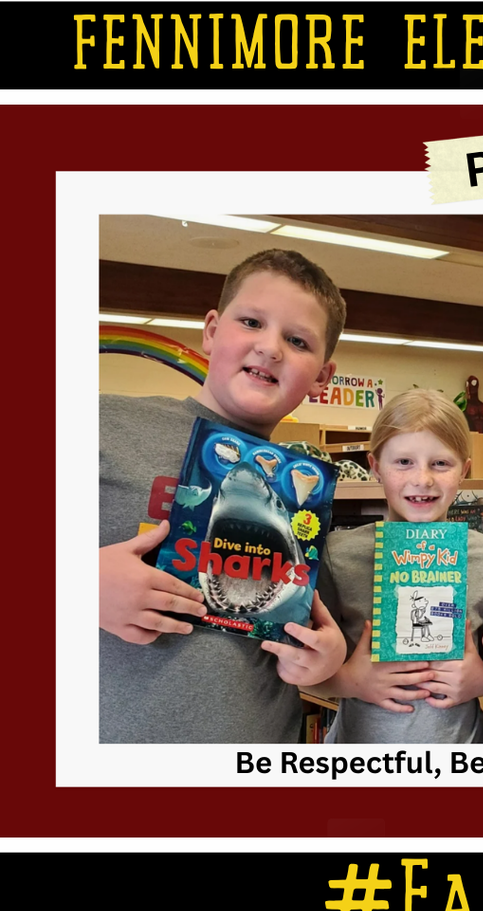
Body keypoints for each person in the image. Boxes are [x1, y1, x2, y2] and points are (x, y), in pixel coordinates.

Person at [98, 248, 350, 743]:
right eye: (252, 321)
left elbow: (313, 632)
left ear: (322, 376)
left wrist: (325, 659)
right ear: (212, 331)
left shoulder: (307, 493)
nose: (271, 348)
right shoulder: (104, 423)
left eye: (297, 340)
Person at [309, 388, 483, 743]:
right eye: (403, 462)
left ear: (464, 470)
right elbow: (301, 670)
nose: (423, 479)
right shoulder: (339, 555)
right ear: (375, 468)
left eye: (440, 463)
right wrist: (351, 681)